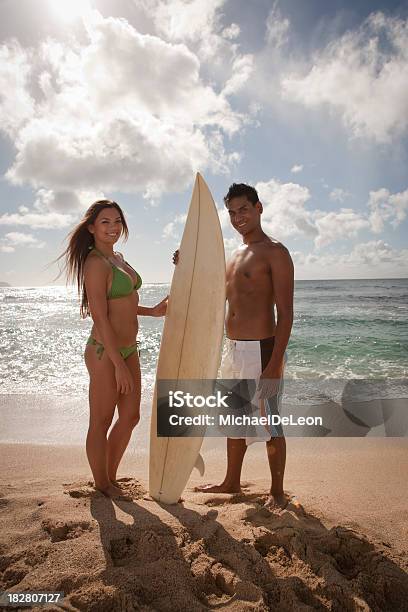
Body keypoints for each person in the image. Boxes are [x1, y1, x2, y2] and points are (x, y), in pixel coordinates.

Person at [174, 183, 294, 510]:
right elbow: (211, 299)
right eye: (232, 212)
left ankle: (277, 492)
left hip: (262, 349)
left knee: (270, 421)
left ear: (259, 208)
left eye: (243, 209)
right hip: (233, 349)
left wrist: (274, 366)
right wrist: (185, 267)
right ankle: (231, 482)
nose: (237, 217)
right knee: (234, 418)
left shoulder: (275, 252)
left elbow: (285, 314)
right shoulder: (234, 256)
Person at [59, 200, 167, 499]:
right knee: (102, 420)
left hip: (129, 349)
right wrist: (117, 364)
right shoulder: (95, 264)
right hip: (105, 353)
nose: (113, 227)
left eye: (117, 221)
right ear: (92, 228)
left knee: (131, 416)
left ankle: (111, 475)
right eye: (105, 222)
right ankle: (102, 484)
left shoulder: (119, 258)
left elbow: (126, 304)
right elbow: (101, 316)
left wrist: (153, 312)